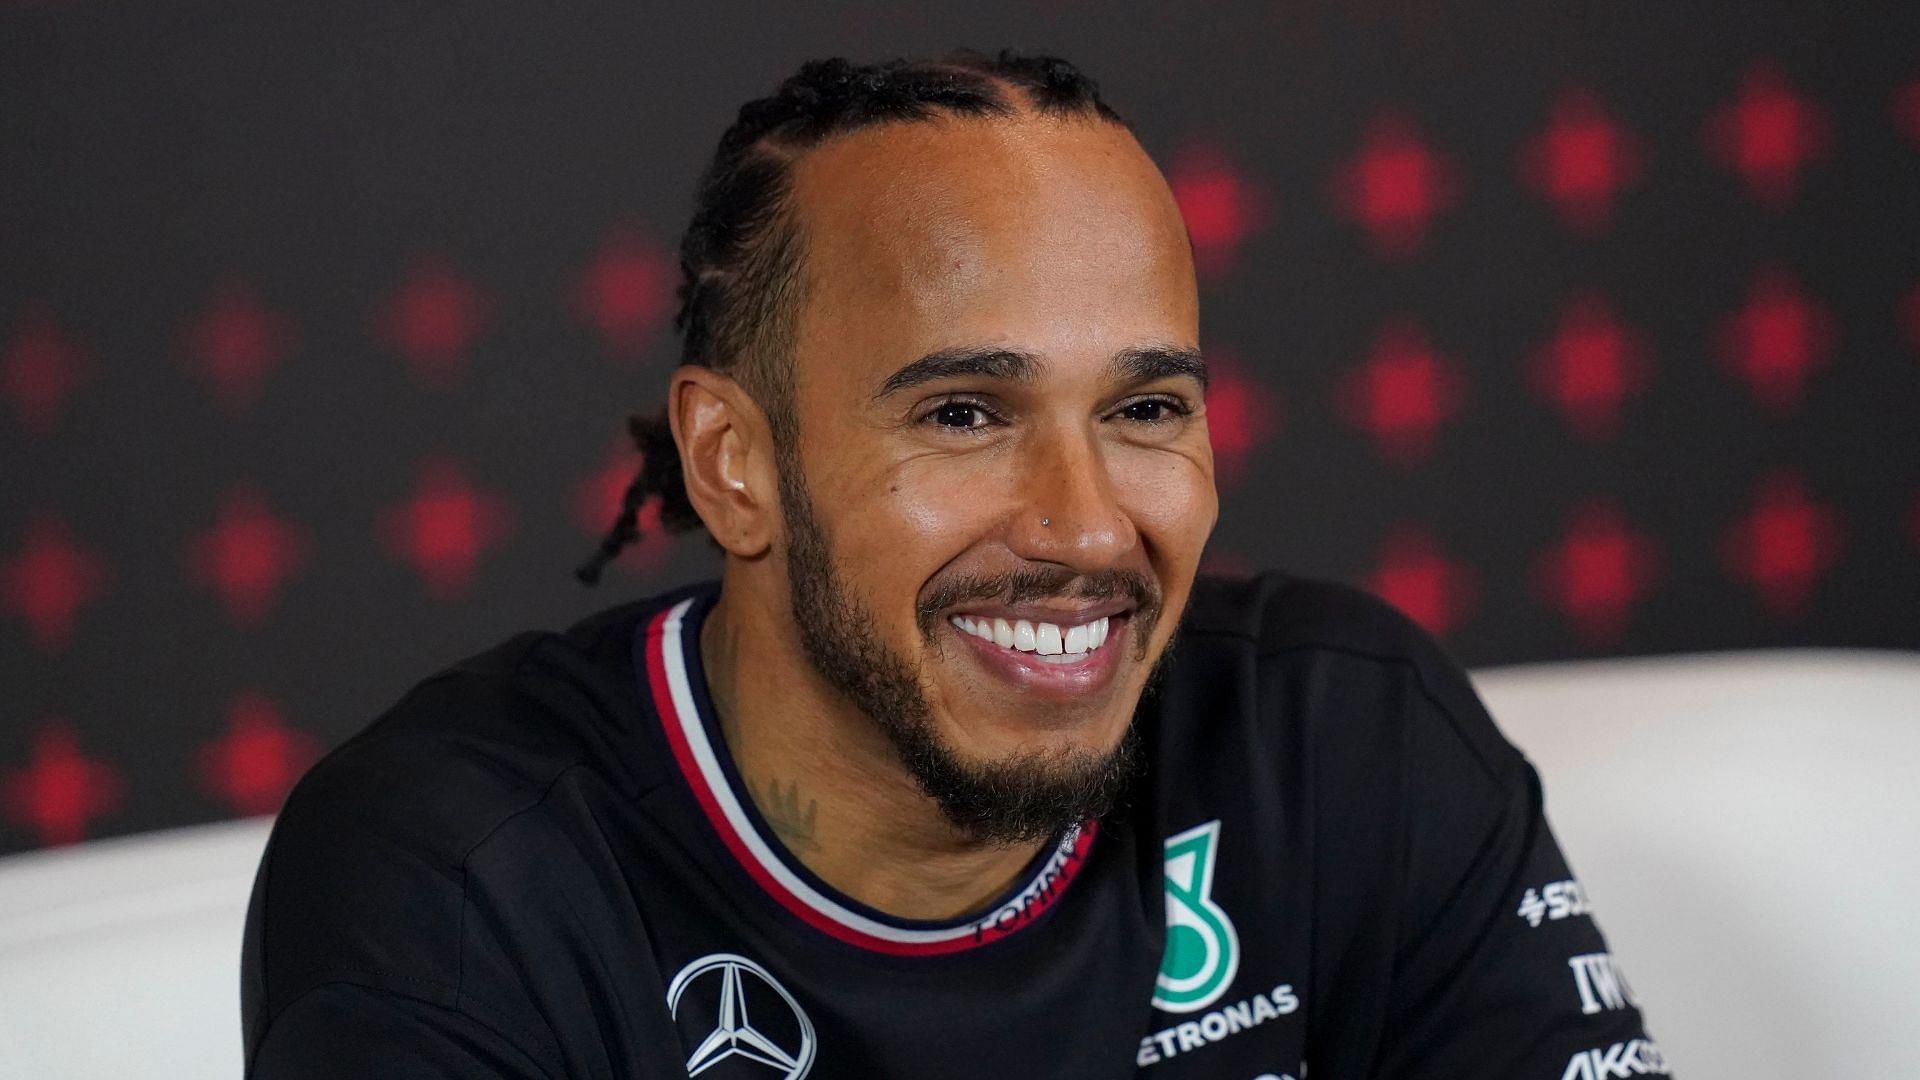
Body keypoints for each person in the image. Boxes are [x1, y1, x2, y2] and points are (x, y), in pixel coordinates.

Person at [240, 50, 1668, 1079]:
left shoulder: (1344, 739)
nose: (1089, 527)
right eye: (966, 414)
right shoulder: (451, 886)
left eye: (1145, 410)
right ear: (736, 463)